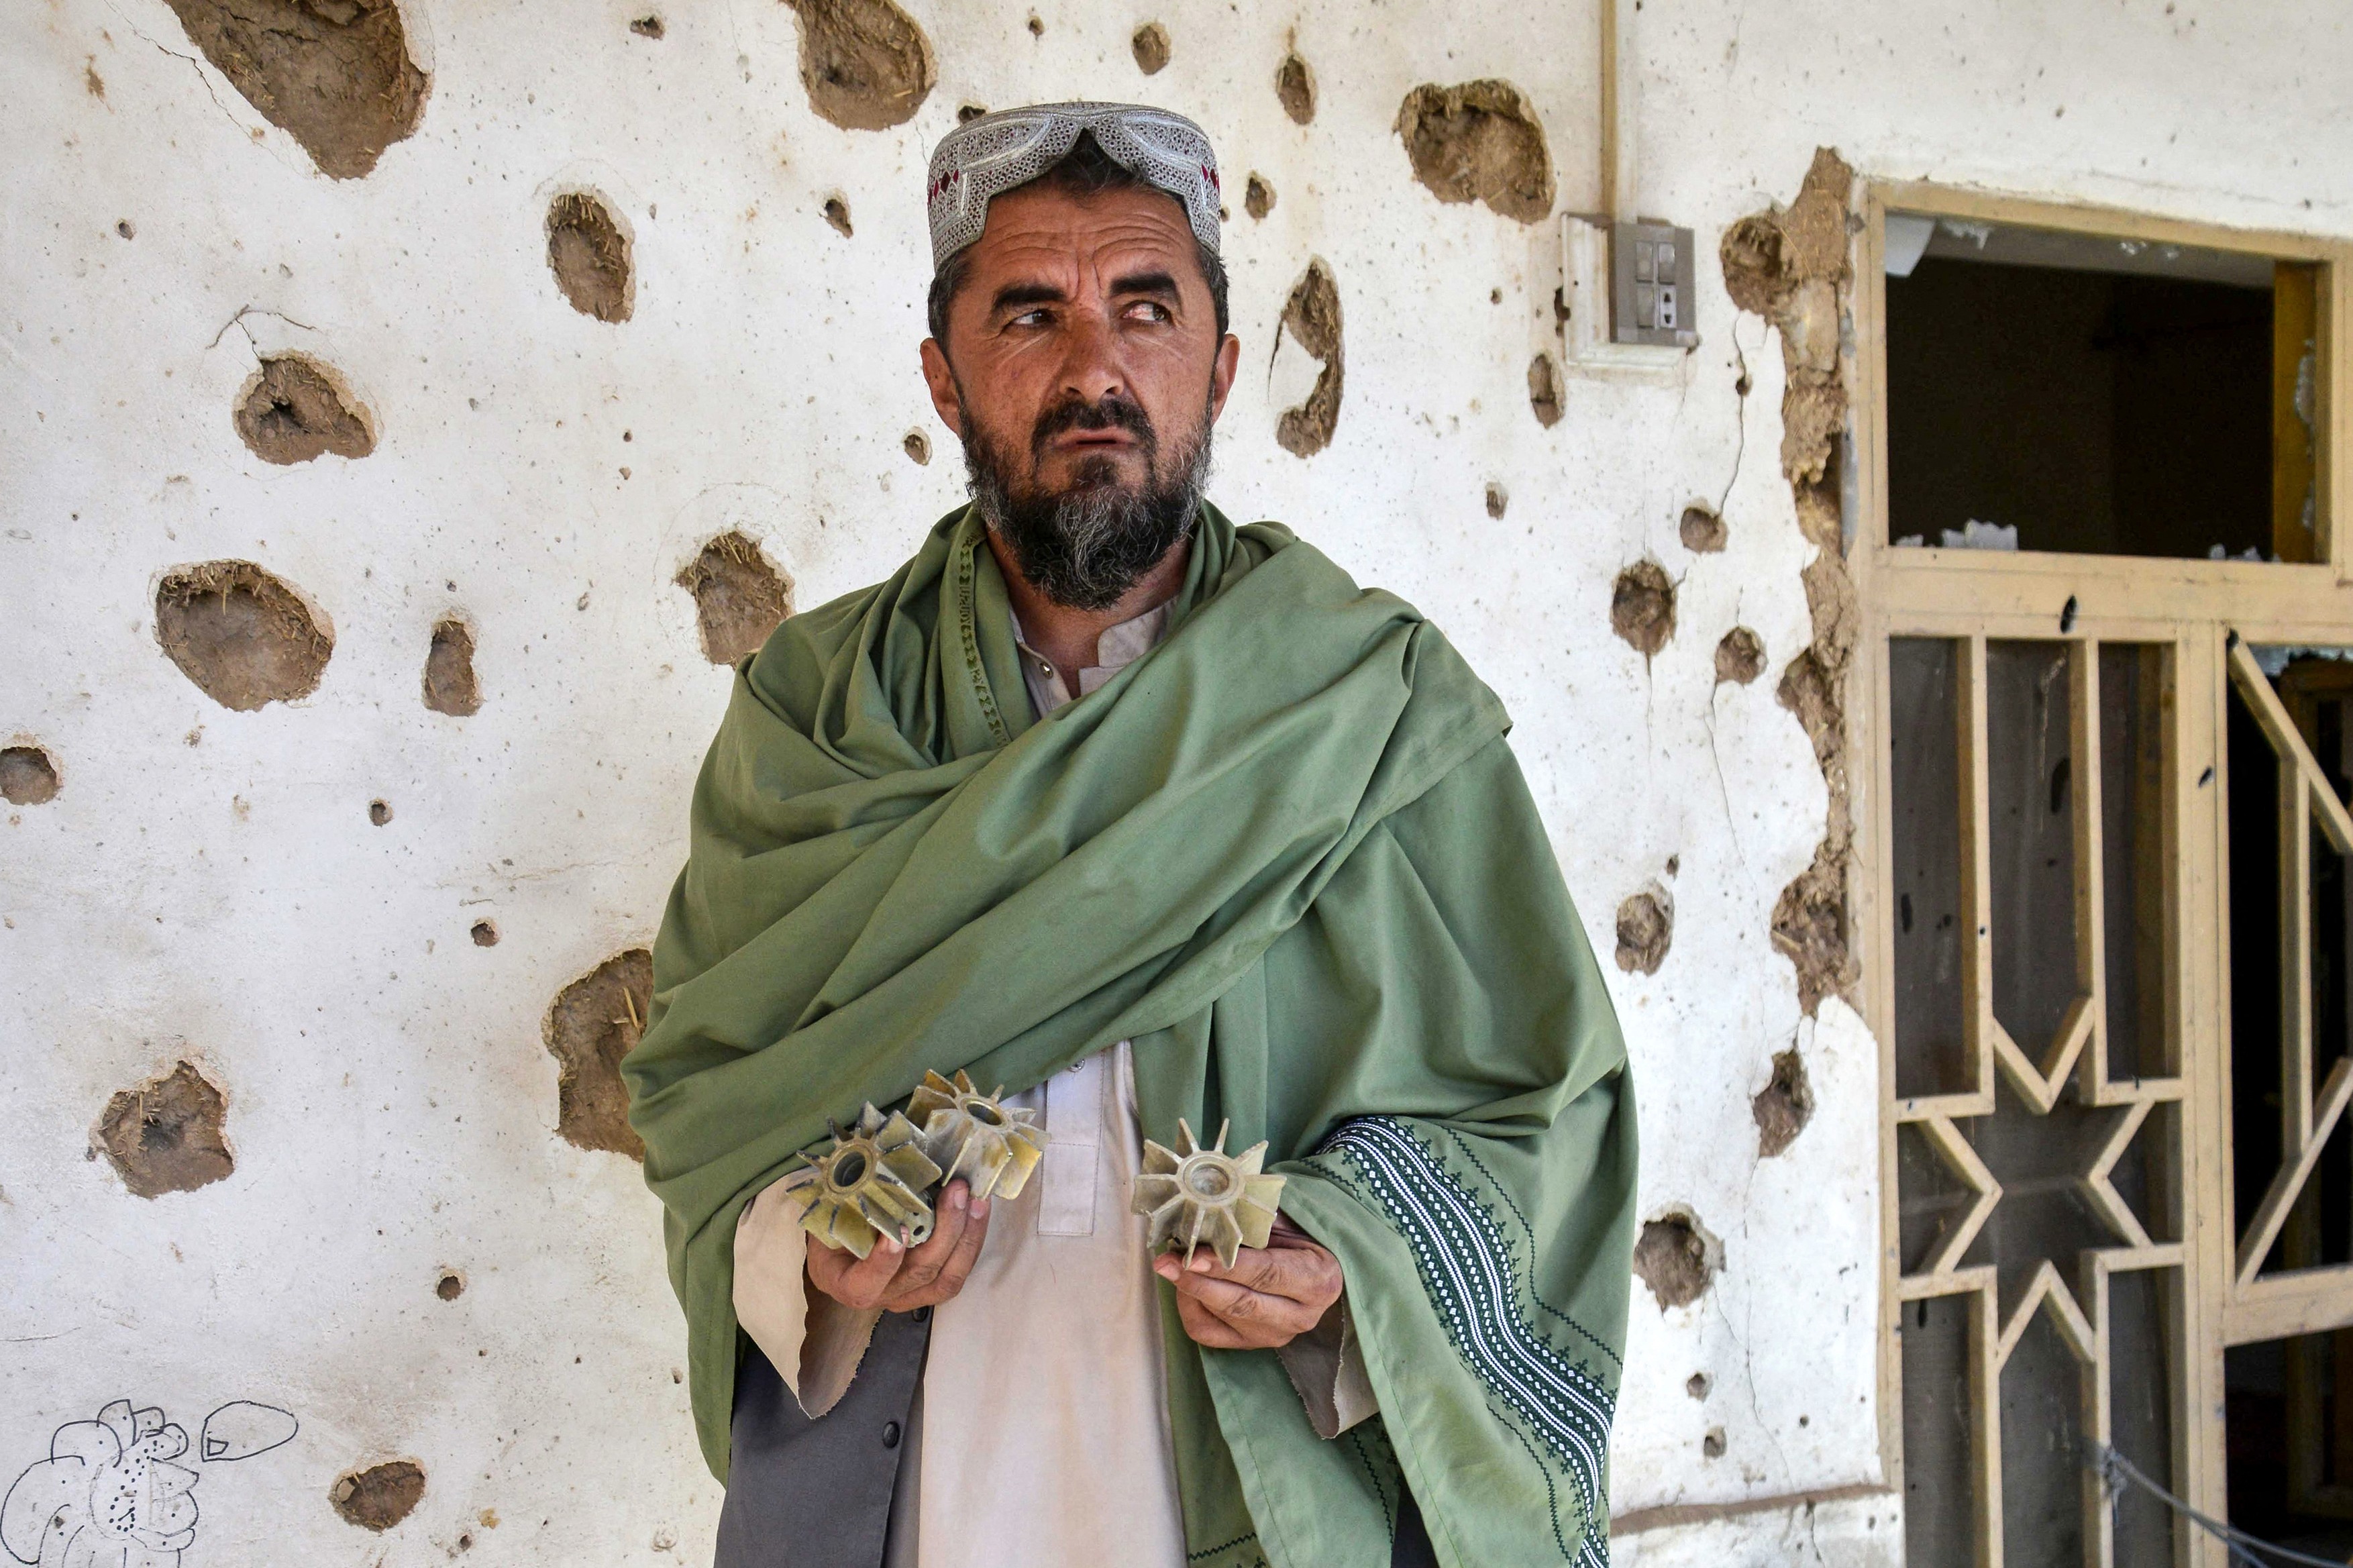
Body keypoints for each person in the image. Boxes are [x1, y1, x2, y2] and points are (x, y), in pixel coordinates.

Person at [625, 101, 1636, 1568]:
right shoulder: (817, 715)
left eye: (1146, 309)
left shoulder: (1369, 705)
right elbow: (708, 1111)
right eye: (1030, 313)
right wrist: (815, 1253)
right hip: (921, 1511)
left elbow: (1546, 1113)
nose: (1094, 368)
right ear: (943, 376)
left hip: (1259, 1504)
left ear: (1217, 367)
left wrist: (1345, 1257)